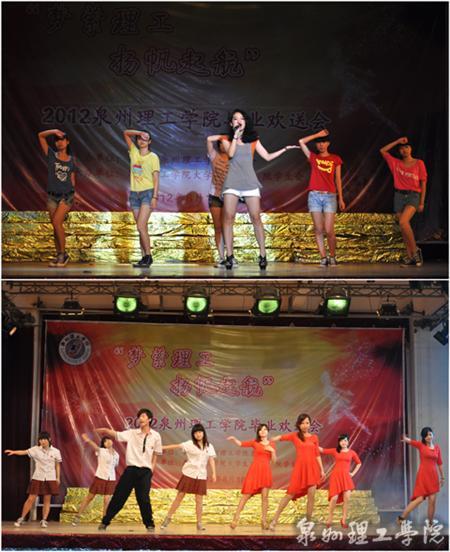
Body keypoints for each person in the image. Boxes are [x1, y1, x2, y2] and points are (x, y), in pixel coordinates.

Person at [221, 109, 298, 270]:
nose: (238, 121)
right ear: (231, 123)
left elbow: (267, 156)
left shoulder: (254, 140)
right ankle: (229, 256)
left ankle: (262, 255)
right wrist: (235, 136)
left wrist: (285, 149)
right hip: (232, 183)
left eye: (241, 118)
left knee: (256, 217)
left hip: (250, 182)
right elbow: (231, 154)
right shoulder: (227, 140)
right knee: (228, 217)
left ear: (246, 122)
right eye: (235, 119)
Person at [95, 408, 162, 531]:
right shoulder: (132, 433)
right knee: (119, 496)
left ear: (149, 419)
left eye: (143, 416)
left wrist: (151, 469)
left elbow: (156, 454)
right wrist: (106, 430)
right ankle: (105, 521)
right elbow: (116, 434)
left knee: (143, 498)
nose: (140, 419)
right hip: (131, 470)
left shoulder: (156, 436)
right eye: (139, 417)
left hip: (145, 472)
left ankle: (149, 524)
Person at [269, 413, 325, 529]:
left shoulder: (314, 438)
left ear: (310, 424)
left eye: (307, 423)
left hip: (312, 469)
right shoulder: (295, 436)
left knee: (311, 497)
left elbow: (317, 454)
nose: (305, 425)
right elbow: (281, 437)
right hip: (300, 470)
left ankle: (308, 522)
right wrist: (272, 439)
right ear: (299, 425)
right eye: (302, 423)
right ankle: (274, 520)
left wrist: (322, 470)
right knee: (289, 494)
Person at [298, 129, 345, 266]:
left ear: (328, 143)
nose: (321, 145)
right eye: (318, 142)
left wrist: (341, 198)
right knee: (318, 229)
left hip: (330, 196)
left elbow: (338, 179)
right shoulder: (313, 157)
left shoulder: (335, 158)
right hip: (314, 196)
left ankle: (332, 256)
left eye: (324, 142)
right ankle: (323, 257)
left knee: (329, 230)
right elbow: (301, 142)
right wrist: (317, 135)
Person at [380, 137, 427, 267]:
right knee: (403, 227)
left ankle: (416, 251)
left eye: (406, 147)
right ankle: (410, 256)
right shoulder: (395, 163)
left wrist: (422, 202)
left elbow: (423, 183)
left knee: (403, 222)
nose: (404, 150)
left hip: (413, 195)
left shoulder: (419, 163)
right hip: (399, 196)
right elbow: (383, 151)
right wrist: (397, 141)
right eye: (401, 149)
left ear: (411, 149)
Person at [160, 423, 216, 531]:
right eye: (196, 433)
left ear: (203, 433)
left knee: (199, 500)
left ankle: (199, 523)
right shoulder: (190, 444)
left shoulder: (209, 446)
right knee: (180, 496)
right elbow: (176, 446)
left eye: (200, 432)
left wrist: (214, 473)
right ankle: (167, 518)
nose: (198, 434)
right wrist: (162, 447)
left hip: (201, 475)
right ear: (193, 434)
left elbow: (211, 460)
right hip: (189, 473)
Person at [5, 431, 62, 528]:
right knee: (31, 498)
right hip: (38, 477)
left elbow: (57, 465)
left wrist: (58, 477)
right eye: (40, 440)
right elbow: (24, 452)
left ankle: (44, 520)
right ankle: (21, 518)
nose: (42, 441)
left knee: (47, 499)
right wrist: (14, 452)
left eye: (44, 439)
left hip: (50, 477)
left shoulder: (56, 451)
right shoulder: (36, 449)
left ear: (49, 439)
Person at [38, 129, 76, 267]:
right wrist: (54, 131)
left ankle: (63, 254)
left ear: (67, 142)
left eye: (62, 140)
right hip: (52, 196)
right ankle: (59, 254)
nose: (60, 142)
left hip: (66, 196)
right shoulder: (51, 155)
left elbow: (72, 180)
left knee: (56, 223)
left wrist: (73, 194)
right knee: (55, 226)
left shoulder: (71, 161)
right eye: (57, 140)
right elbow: (40, 136)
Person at [227, 423, 276, 530]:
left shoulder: (272, 444)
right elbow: (241, 444)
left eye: (265, 429)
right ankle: (235, 518)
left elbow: (274, 461)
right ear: (258, 432)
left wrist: (272, 451)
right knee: (246, 495)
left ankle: (263, 521)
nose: (263, 431)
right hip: (254, 471)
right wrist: (234, 439)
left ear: (268, 431)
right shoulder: (255, 443)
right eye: (261, 430)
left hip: (265, 472)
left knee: (265, 497)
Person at [123, 129, 160, 268]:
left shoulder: (153, 157)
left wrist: (155, 196)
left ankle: (149, 256)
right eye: (140, 138)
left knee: (140, 225)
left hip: (147, 193)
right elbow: (125, 133)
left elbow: (156, 179)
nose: (142, 140)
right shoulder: (134, 152)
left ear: (149, 142)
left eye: (145, 138)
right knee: (141, 228)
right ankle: (144, 257)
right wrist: (140, 132)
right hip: (134, 194)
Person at [397, 428, 444, 525]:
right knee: (419, 499)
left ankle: (430, 523)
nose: (428, 437)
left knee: (432, 501)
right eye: (426, 435)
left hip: (433, 477)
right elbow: (411, 441)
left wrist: (442, 477)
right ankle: (402, 517)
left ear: (432, 435)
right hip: (423, 475)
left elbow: (439, 463)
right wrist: (405, 439)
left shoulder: (437, 448)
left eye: (430, 434)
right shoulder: (421, 445)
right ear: (423, 437)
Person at [72, 432, 120, 525]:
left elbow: (115, 466)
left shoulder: (116, 454)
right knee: (90, 497)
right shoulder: (101, 451)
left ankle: (104, 521)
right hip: (100, 477)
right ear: (104, 444)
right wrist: (87, 439)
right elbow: (94, 446)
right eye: (105, 441)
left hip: (111, 479)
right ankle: (77, 517)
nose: (108, 442)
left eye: (109, 440)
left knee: (106, 500)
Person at [319, 434, 362, 528]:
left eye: (345, 440)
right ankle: (330, 519)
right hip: (335, 477)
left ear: (348, 442)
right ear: (339, 442)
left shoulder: (352, 452)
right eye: (342, 441)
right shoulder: (335, 451)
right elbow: (322, 450)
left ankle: (343, 520)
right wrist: (311, 443)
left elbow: (359, 463)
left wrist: (353, 473)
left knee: (346, 500)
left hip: (346, 478)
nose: (344, 442)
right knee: (334, 498)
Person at [206, 134, 229, 267]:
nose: (223, 145)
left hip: (229, 196)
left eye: (226, 142)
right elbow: (209, 140)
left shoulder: (234, 158)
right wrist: (222, 136)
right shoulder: (215, 156)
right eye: (221, 143)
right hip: (214, 195)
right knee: (218, 227)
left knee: (228, 227)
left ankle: (230, 256)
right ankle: (221, 257)